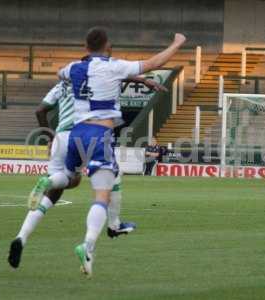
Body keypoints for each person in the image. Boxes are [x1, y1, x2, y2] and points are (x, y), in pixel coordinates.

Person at [7, 58, 166, 269]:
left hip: (60, 138)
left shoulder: (62, 84)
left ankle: (21, 236)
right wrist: (143, 81)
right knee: (112, 176)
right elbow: (117, 75)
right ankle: (113, 225)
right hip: (86, 132)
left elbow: (40, 110)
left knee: (61, 187)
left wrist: (48, 136)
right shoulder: (95, 83)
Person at [58, 27, 186, 277]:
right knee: (101, 196)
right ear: (108, 45)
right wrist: (177, 43)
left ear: (86, 47)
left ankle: (114, 224)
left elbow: (59, 73)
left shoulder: (73, 68)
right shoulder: (114, 66)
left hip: (76, 133)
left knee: (78, 178)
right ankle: (88, 246)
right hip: (99, 134)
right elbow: (155, 63)